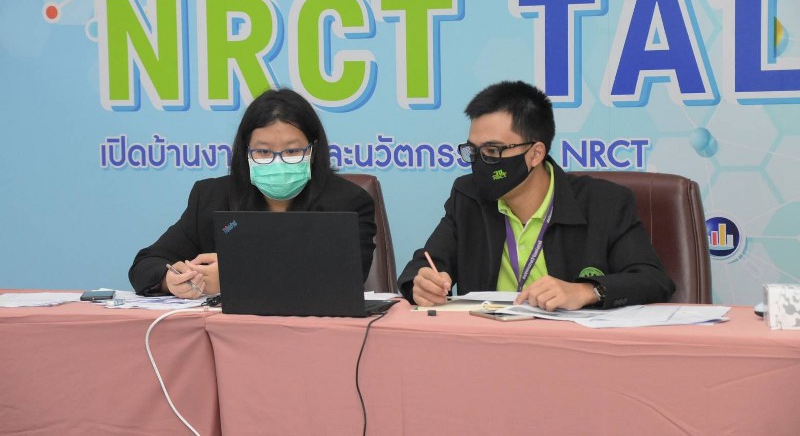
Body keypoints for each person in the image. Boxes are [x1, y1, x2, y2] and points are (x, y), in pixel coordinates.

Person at [398, 81, 675, 309]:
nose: (480, 162)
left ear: (535, 154)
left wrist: (586, 291)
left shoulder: (604, 202)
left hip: (572, 347)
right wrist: (421, 284)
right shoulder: (469, 196)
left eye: (493, 151)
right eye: (474, 150)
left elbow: (653, 280)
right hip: (489, 345)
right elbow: (424, 264)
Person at [129, 89, 376, 298]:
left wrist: (234, 276)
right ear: (245, 152)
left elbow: (345, 277)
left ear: (313, 151)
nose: (278, 161)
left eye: (292, 152)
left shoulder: (348, 203)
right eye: (263, 152)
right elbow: (146, 264)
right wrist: (170, 280)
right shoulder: (212, 198)